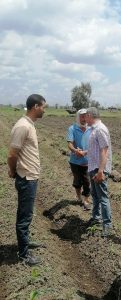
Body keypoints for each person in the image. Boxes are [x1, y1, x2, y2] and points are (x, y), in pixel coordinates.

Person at [7, 94, 46, 266]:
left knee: (27, 214)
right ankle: (23, 254)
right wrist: (13, 171)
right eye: (43, 106)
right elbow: (12, 155)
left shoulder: (29, 125)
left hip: (30, 176)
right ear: (36, 106)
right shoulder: (22, 126)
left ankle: (26, 242)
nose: (44, 110)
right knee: (24, 216)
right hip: (26, 177)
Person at [85, 107, 112, 237]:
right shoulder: (93, 130)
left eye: (85, 116)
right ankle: (96, 218)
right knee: (95, 195)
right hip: (93, 167)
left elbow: (104, 151)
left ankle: (107, 225)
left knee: (103, 197)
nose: (84, 119)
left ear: (90, 115)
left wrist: (101, 171)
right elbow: (95, 149)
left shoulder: (100, 129)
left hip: (98, 169)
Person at [67, 109, 91, 210]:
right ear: (78, 117)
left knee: (87, 181)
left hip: (88, 161)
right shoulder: (72, 128)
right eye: (82, 116)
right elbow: (70, 143)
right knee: (77, 181)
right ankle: (78, 196)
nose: (84, 118)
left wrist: (86, 152)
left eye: (86, 116)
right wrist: (75, 150)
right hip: (75, 161)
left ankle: (86, 199)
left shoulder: (91, 129)